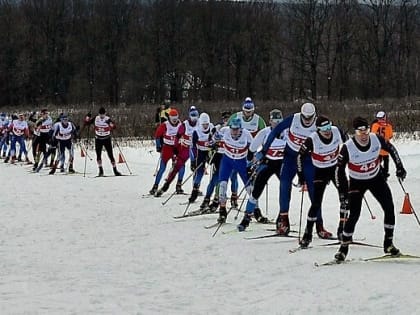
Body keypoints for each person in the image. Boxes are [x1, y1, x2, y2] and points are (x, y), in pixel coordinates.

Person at [334, 117, 407, 262]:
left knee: (389, 207)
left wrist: (400, 167)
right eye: (360, 131)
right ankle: (343, 249)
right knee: (354, 214)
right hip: (356, 182)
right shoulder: (348, 147)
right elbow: (339, 170)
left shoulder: (376, 139)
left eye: (366, 130)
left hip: (376, 179)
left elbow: (391, 149)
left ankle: (388, 244)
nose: (364, 134)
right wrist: (343, 190)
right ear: (355, 132)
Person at [259, 102, 332, 238]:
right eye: (305, 117)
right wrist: (264, 150)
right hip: (291, 158)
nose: (307, 120)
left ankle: (319, 225)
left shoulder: (318, 124)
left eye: (310, 118)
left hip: (309, 160)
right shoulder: (294, 119)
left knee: (314, 191)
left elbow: (326, 143)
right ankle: (283, 220)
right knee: (284, 184)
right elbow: (275, 131)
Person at [297, 116, 348, 247]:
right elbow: (299, 156)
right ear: (318, 129)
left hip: (335, 169)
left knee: (345, 199)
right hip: (320, 171)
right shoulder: (312, 139)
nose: (327, 131)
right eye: (324, 129)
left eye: (329, 127)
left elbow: (349, 145)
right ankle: (307, 234)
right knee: (316, 203)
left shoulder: (337, 131)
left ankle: (342, 230)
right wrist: (301, 175)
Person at [237, 109, 285, 231]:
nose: (277, 124)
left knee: (285, 190)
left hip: (282, 164)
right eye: (274, 122)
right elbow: (252, 149)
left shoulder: (287, 132)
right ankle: (246, 218)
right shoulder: (264, 133)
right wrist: (249, 165)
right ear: (270, 121)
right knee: (256, 191)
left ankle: (282, 219)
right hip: (267, 164)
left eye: (279, 122)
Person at [227, 97, 266, 207]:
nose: (248, 113)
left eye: (250, 111)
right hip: (237, 152)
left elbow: (265, 136)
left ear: (253, 110)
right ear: (243, 109)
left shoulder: (259, 120)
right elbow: (226, 132)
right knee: (233, 175)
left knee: (249, 179)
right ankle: (234, 197)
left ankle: (254, 205)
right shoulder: (235, 117)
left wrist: (263, 154)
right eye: (246, 111)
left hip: (250, 155)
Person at [216, 117, 253, 224]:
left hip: (241, 162)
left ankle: (255, 210)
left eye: (237, 129)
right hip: (227, 161)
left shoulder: (246, 134)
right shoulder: (225, 131)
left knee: (250, 187)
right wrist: (214, 139)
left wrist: (251, 164)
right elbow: (214, 138)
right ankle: (222, 211)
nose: (234, 132)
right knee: (222, 185)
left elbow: (253, 149)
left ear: (241, 129)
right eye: (233, 129)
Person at [199, 111, 231, 212]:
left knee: (222, 180)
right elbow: (210, 141)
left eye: (228, 119)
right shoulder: (217, 128)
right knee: (214, 180)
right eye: (225, 119)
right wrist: (212, 146)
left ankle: (217, 199)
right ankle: (207, 199)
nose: (226, 121)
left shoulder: (233, 129)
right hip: (217, 156)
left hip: (227, 157)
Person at [150, 108, 183, 195]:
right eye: (173, 119)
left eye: (176, 119)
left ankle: (179, 186)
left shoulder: (181, 124)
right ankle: (155, 186)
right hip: (167, 148)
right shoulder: (165, 125)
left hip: (177, 147)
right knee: (162, 168)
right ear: (170, 118)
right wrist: (158, 146)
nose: (175, 121)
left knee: (181, 166)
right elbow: (157, 135)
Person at [84, 107, 122, 176]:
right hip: (98, 139)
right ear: (99, 114)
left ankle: (115, 170)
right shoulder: (96, 118)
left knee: (110, 155)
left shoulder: (107, 119)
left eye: (103, 114)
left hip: (107, 139)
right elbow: (87, 123)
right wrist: (87, 117)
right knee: (98, 155)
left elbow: (114, 127)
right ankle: (101, 170)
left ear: (105, 113)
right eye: (101, 114)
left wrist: (110, 124)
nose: (102, 116)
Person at [188, 112, 215, 203]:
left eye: (207, 124)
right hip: (200, 152)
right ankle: (195, 190)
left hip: (210, 151)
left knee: (216, 170)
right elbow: (193, 146)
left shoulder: (212, 128)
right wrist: (194, 159)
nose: (205, 126)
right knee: (199, 172)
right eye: (203, 124)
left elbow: (217, 139)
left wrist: (214, 145)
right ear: (200, 124)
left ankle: (216, 194)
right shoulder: (196, 131)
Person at [371, 111, 393, 179]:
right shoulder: (389, 126)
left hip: (378, 149)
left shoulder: (375, 125)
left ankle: (381, 173)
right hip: (386, 148)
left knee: (377, 163)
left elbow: (372, 134)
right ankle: (385, 174)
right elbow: (390, 136)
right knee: (386, 163)